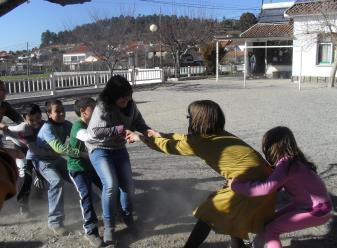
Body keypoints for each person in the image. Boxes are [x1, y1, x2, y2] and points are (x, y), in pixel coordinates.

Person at [126, 100, 277, 248]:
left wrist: (140, 138)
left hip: (250, 183)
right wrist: (159, 134)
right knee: (229, 214)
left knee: (208, 213)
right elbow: (184, 139)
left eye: (189, 117)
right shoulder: (218, 134)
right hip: (261, 179)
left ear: (197, 120)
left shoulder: (200, 142)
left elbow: (170, 147)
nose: (188, 120)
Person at [229, 126, 332, 248]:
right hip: (307, 206)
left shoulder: (286, 164)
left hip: (317, 210)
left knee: (272, 230)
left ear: (273, 147)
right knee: (267, 223)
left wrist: (237, 186)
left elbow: (266, 188)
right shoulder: (294, 161)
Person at [85, 75, 154, 245]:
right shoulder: (102, 106)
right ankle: (109, 227)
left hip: (118, 149)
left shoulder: (131, 105)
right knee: (110, 185)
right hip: (99, 148)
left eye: (128, 95)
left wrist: (149, 132)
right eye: (122, 97)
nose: (126, 99)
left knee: (128, 186)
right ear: (112, 96)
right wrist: (121, 130)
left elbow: (138, 122)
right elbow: (94, 132)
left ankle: (128, 217)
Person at [33, 99, 87, 236]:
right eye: (57, 111)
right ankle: (55, 221)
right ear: (49, 114)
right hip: (42, 162)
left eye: (62, 110)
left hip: (56, 159)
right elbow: (59, 148)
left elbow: (79, 136)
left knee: (79, 173)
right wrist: (83, 154)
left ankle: (95, 202)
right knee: (57, 182)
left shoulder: (66, 124)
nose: (62, 113)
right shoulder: (47, 128)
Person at [0, 103, 51, 217]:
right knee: (25, 174)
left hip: (34, 148)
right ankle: (23, 205)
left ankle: (38, 195)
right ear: (24, 119)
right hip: (21, 149)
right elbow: (8, 128)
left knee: (41, 171)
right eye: (31, 120)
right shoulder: (23, 127)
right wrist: (4, 127)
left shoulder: (44, 124)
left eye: (38, 118)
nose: (35, 123)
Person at [67, 97, 103, 247]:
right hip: (77, 168)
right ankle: (91, 230)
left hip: (91, 166)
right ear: (83, 111)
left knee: (109, 186)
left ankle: (118, 214)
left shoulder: (92, 124)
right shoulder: (78, 126)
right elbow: (86, 136)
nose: (97, 113)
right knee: (86, 196)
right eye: (93, 109)